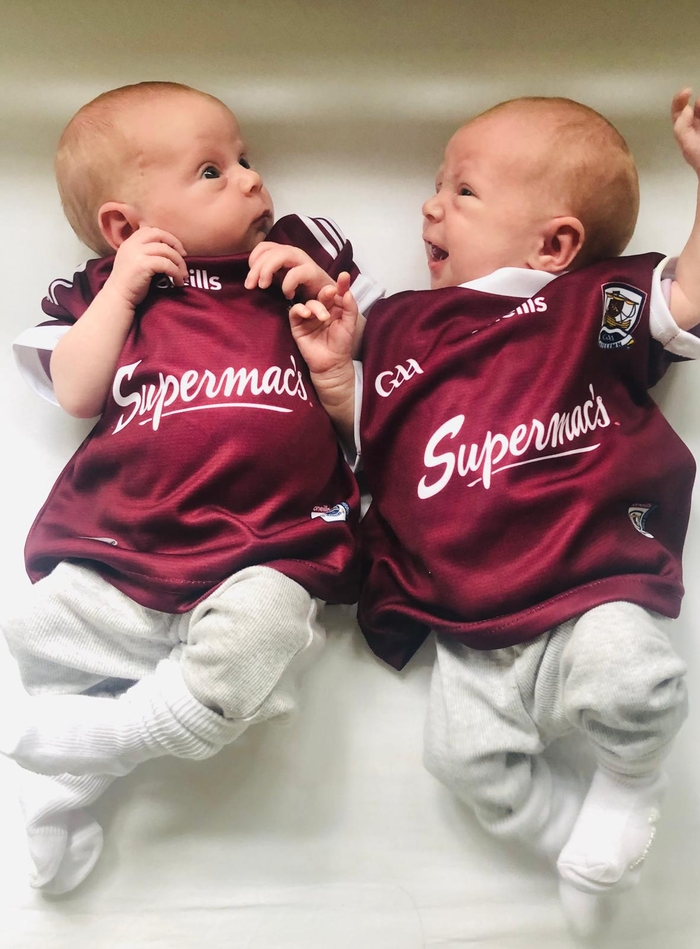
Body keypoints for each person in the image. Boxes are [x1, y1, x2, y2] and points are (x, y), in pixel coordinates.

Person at [286, 90, 700, 937]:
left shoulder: (592, 302)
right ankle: (576, 840)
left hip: (588, 579)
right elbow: (373, 433)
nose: (431, 204)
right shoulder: (397, 324)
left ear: (555, 243)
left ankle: (629, 782)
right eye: (436, 185)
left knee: (636, 678)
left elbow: (688, 296)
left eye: (463, 190)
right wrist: (336, 377)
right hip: (465, 616)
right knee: (464, 762)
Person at [0, 80, 382, 895]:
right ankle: (60, 786)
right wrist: (122, 289)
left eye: (245, 158)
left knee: (268, 629)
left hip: (268, 541)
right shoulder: (108, 290)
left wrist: (319, 294)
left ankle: (106, 741)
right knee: (36, 624)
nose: (249, 179)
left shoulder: (291, 257)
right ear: (126, 226)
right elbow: (74, 390)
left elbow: (357, 341)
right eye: (212, 171)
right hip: (126, 539)